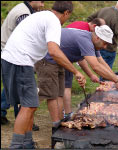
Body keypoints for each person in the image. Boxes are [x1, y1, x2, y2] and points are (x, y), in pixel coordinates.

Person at [1, 1, 86, 149]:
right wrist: (76, 71)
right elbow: (53, 51)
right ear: (66, 13)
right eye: (68, 16)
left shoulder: (43, 15)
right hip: (19, 60)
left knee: (30, 106)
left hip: (13, 59)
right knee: (29, 106)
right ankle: (16, 146)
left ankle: (27, 144)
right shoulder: (53, 20)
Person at [35, 25, 118, 125]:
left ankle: (62, 122)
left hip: (60, 60)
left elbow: (100, 62)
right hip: (46, 58)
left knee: (60, 93)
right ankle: (56, 124)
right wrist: (116, 80)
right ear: (97, 37)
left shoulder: (93, 42)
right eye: (105, 43)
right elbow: (96, 66)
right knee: (52, 94)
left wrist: (115, 77)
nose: (105, 47)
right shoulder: (85, 40)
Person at [1, 1, 44, 131]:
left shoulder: (24, 8)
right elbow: (28, 36)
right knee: (21, 86)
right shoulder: (23, 13)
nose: (42, 5)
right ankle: (23, 120)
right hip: (12, 53)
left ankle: (2, 110)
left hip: (9, 51)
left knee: (11, 84)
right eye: (41, 2)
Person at [63, 18, 106, 119]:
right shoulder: (85, 33)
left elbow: (99, 58)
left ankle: (66, 113)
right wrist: (90, 74)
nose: (105, 47)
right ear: (95, 27)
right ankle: (64, 115)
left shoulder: (88, 33)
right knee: (62, 88)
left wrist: (113, 76)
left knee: (66, 86)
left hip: (67, 57)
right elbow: (84, 60)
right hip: (58, 56)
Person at [87, 1, 118, 74]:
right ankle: (105, 83)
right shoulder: (116, 17)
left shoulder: (104, 9)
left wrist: (95, 34)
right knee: (107, 72)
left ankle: (103, 83)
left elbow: (89, 20)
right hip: (109, 48)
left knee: (102, 69)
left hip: (97, 45)